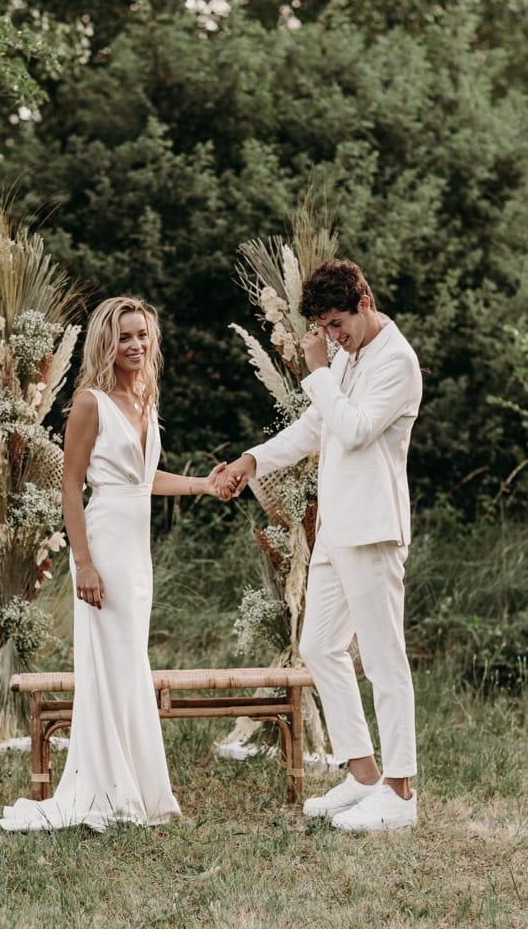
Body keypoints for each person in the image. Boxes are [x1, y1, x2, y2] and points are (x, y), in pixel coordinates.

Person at [0, 296, 225, 832]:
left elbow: (145, 480)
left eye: (143, 334)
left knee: (130, 666)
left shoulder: (145, 398)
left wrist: (203, 484)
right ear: (107, 341)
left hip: (136, 553)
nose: (136, 345)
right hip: (101, 546)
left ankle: (138, 788)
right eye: (125, 336)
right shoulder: (90, 403)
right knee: (109, 666)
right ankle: (107, 789)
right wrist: (83, 563)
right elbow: (71, 488)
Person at [217, 260, 422, 832]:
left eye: (338, 324)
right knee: (319, 646)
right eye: (325, 328)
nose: (333, 336)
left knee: (383, 660)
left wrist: (315, 369)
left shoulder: (397, 361)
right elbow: (318, 427)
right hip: (335, 529)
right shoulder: (346, 359)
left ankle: (401, 793)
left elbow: (355, 429)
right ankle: (363, 775)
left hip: (374, 530)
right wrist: (251, 460)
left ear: (365, 299)